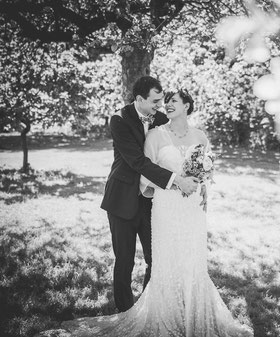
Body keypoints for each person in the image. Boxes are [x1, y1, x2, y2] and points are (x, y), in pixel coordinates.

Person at [61, 89, 253, 336]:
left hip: (192, 209)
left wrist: (204, 186)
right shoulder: (153, 134)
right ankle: (150, 311)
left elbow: (206, 168)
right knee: (151, 259)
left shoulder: (200, 136)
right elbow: (144, 172)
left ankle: (189, 309)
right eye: (164, 101)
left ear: (187, 105)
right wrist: (175, 184)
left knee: (190, 260)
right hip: (163, 205)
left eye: (172, 101)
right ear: (140, 99)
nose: (166, 105)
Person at [99, 76, 200, 312]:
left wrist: (194, 166)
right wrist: (177, 181)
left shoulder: (161, 118)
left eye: (161, 100)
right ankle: (125, 311)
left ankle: (147, 308)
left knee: (155, 258)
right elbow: (137, 161)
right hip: (121, 198)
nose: (160, 105)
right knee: (124, 261)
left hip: (150, 201)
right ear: (139, 99)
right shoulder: (119, 120)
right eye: (155, 101)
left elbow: (176, 140)